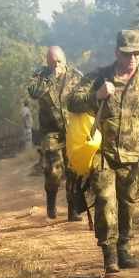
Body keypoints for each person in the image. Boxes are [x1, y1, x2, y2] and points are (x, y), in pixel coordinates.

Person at [68, 28, 139, 276]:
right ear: (117, 52)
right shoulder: (100, 77)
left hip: (131, 154)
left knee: (127, 203)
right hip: (101, 152)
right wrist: (97, 95)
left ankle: (124, 248)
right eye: (127, 54)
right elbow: (71, 102)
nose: (132, 59)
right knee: (105, 201)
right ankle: (110, 255)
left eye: (137, 53)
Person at [27, 44, 85, 221]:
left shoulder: (76, 76)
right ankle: (51, 201)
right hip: (50, 132)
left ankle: (73, 209)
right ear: (46, 62)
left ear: (65, 60)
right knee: (53, 172)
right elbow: (34, 93)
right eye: (52, 62)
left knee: (74, 170)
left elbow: (86, 98)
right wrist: (50, 77)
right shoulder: (40, 76)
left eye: (59, 62)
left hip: (73, 130)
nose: (56, 65)